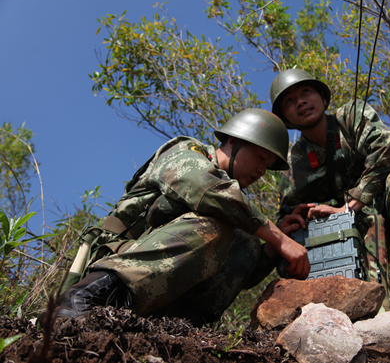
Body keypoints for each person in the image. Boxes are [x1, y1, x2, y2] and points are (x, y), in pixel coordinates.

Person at [41, 108, 309, 327]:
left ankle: (177, 327)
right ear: (234, 140)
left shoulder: (236, 216)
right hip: (115, 262)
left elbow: (239, 275)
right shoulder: (186, 152)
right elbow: (205, 188)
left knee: (246, 242)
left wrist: (275, 247)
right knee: (214, 226)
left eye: (268, 166)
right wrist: (278, 237)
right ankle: (84, 299)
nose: (262, 170)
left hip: (156, 302)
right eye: (260, 157)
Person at [270, 69, 390, 319]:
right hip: (351, 232)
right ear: (285, 117)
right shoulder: (296, 162)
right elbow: (289, 210)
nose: (300, 101)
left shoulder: (351, 116)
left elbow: (389, 149)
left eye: (305, 92)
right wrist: (294, 219)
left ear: (323, 98)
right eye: (289, 101)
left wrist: (351, 204)